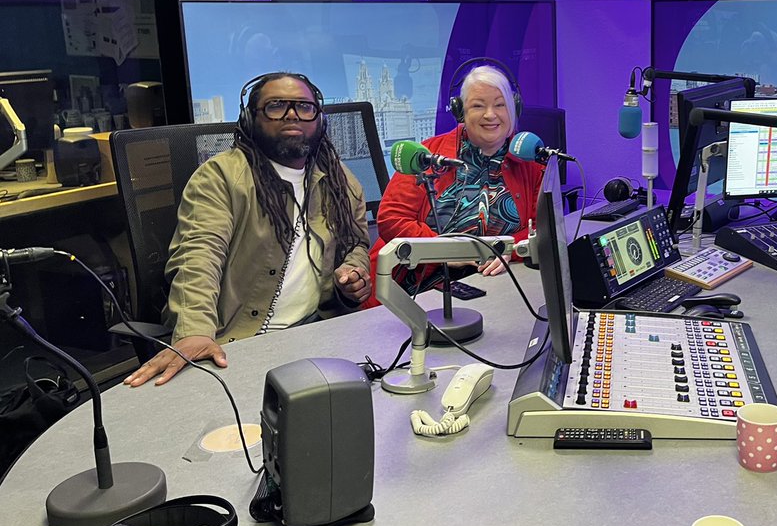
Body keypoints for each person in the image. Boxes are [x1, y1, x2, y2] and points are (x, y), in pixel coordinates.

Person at [125, 72, 371, 387]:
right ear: (251, 118)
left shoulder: (340, 180)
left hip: (315, 336)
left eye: (304, 107)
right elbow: (199, 258)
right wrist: (195, 331)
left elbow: (356, 245)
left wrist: (352, 274)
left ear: (319, 118)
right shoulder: (221, 178)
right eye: (276, 106)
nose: (292, 114)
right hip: (237, 343)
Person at [367, 63, 543, 299]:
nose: (490, 115)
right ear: (461, 111)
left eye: (500, 105)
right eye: (478, 106)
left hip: (495, 287)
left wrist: (511, 250)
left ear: (514, 109)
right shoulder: (427, 155)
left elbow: (541, 229)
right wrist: (444, 250)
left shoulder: (529, 163)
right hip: (418, 288)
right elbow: (391, 218)